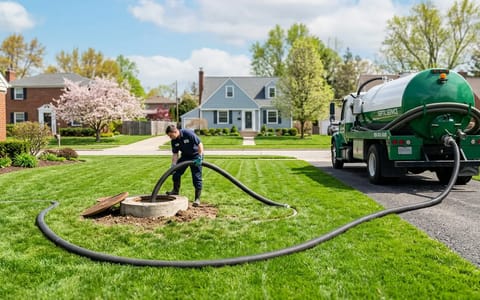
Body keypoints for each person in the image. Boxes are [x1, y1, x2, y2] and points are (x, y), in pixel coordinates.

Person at [165, 124, 204, 207]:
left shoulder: (188, 134)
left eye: (171, 135)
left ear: (175, 132)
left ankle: (197, 199)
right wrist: (173, 165)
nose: (170, 138)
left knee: (196, 177)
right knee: (176, 173)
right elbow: (175, 154)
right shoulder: (174, 141)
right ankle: (175, 191)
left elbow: (200, 144)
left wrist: (200, 158)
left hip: (196, 156)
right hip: (185, 157)